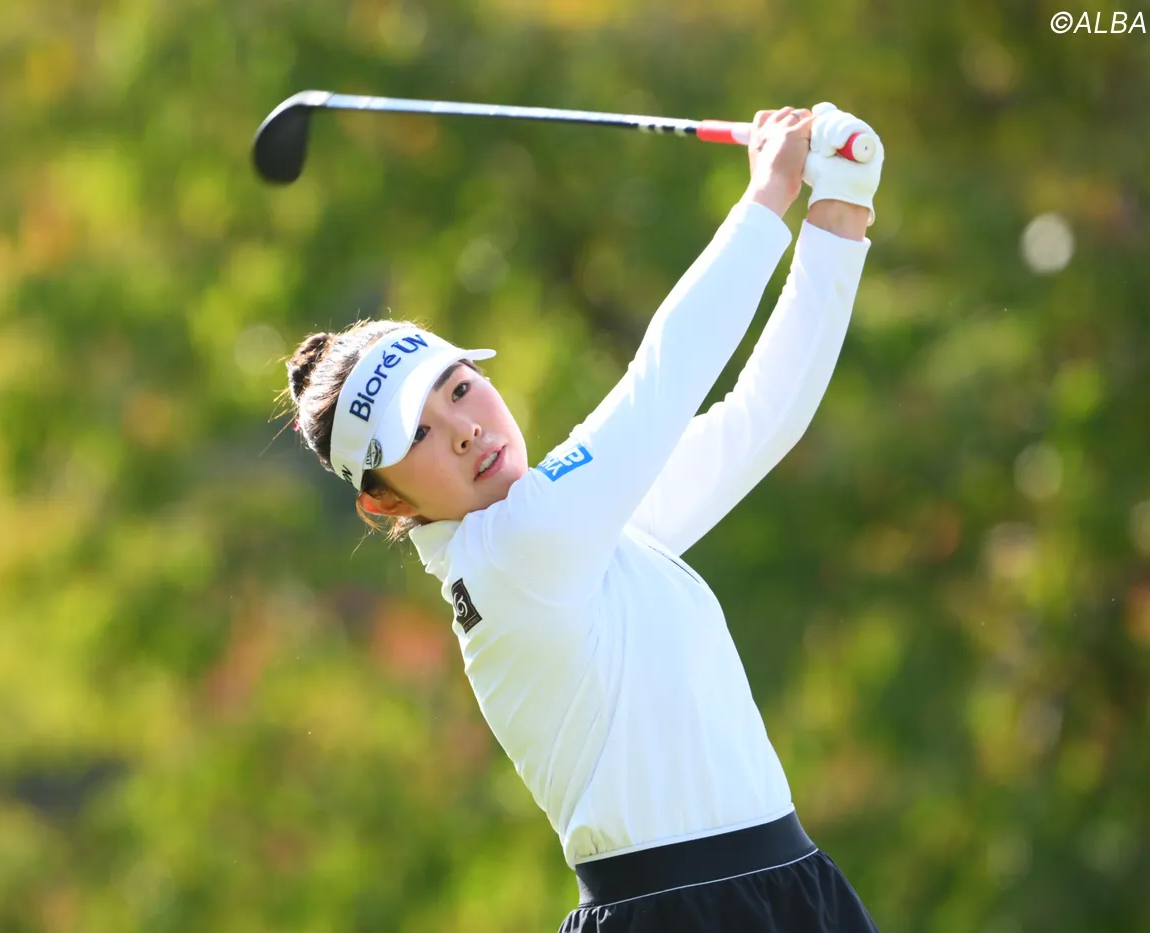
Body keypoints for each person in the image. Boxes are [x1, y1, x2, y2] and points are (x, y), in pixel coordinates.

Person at [284, 103, 884, 932]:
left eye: (460, 388)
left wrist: (840, 214)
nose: (464, 430)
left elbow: (759, 418)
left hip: (790, 885)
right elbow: (662, 380)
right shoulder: (512, 553)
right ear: (384, 500)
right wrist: (768, 197)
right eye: (418, 434)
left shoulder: (586, 537)